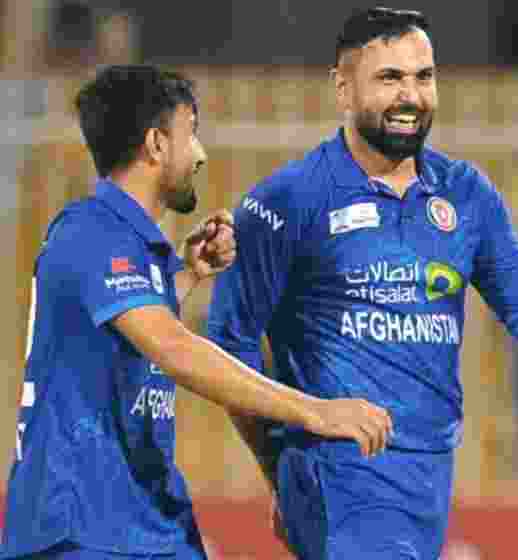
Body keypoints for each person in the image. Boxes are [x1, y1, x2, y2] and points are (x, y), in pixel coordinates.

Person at [205, 7, 518, 560]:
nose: (411, 95)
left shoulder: (464, 193)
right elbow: (227, 348)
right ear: (342, 86)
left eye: (423, 77)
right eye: (389, 78)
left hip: (428, 475)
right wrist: (280, 466)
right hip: (340, 477)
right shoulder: (287, 201)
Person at [0, 65, 394, 560]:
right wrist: (317, 412)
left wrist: (184, 277)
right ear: (156, 144)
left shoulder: (133, 249)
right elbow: (172, 348)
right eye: (193, 134)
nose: (202, 154)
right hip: (84, 529)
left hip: (147, 523)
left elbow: (122, 346)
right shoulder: (92, 232)